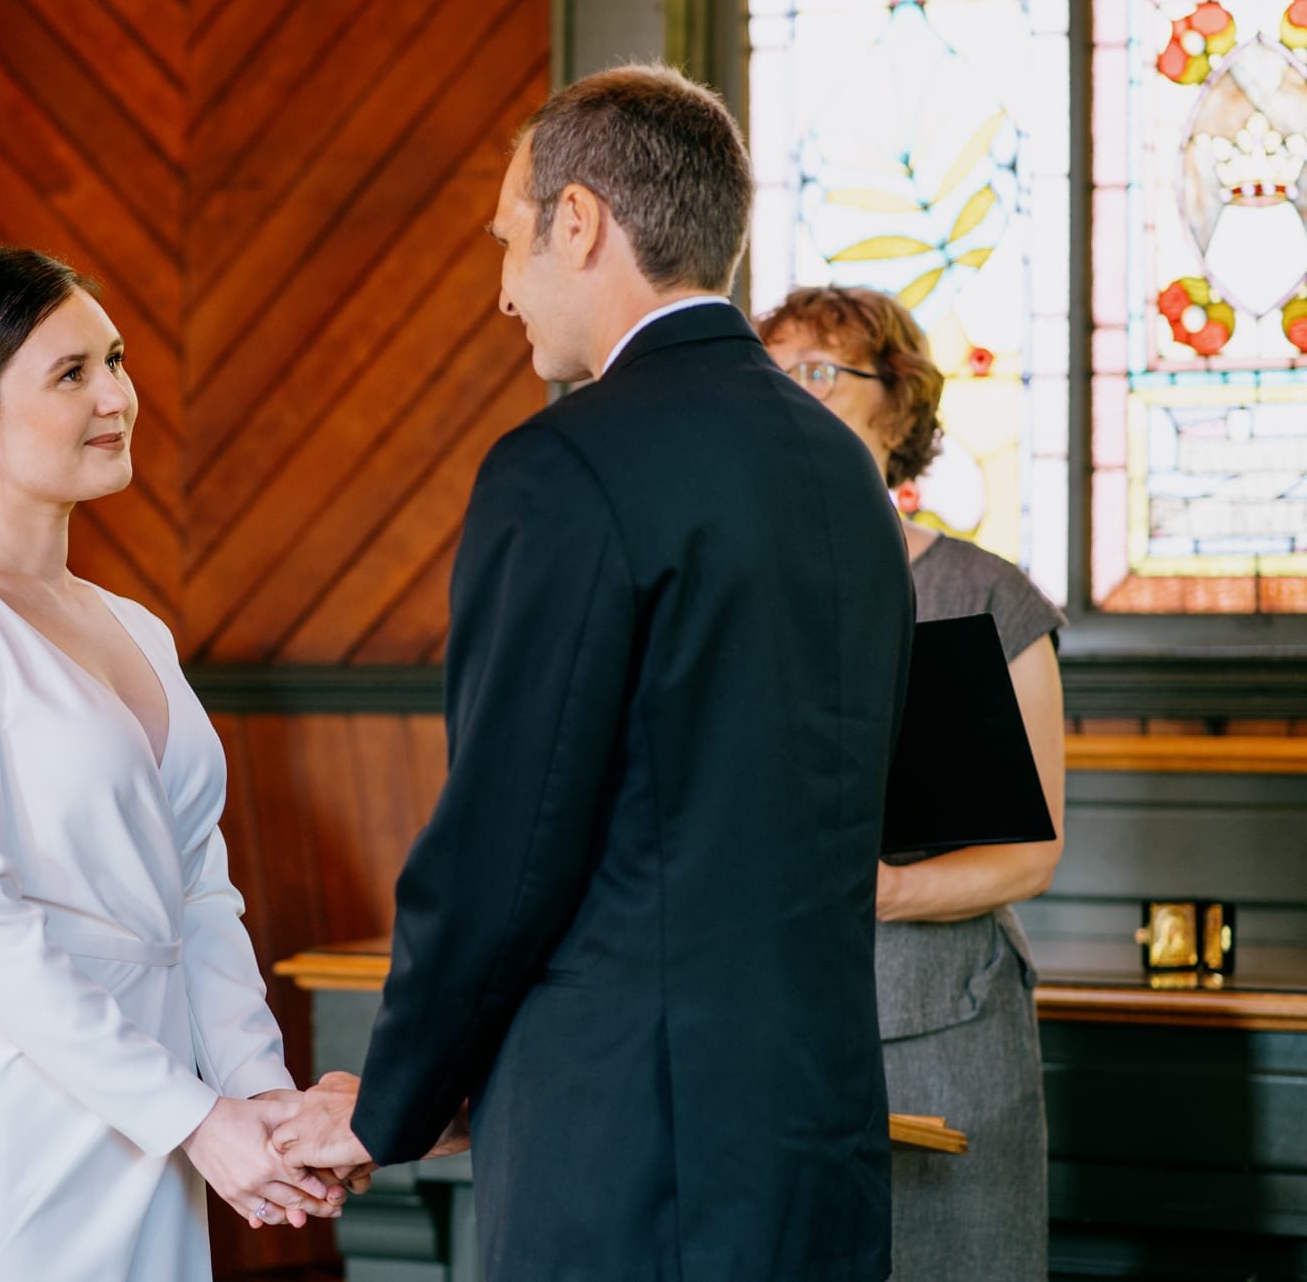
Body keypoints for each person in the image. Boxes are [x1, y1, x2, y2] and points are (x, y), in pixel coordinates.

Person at [274, 63, 914, 1279]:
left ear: (577, 223)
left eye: (508, 239)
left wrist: (386, 1102)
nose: (501, 289)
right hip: (816, 1125)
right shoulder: (841, 471)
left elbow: (504, 848)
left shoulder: (561, 466)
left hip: (629, 1143)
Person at [0, 245, 340, 1281]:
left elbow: (197, 893)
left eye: (113, 359)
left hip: (147, 1133)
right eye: (71, 374)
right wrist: (192, 1113)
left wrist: (258, 1099)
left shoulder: (136, 628)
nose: (116, 395)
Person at [761, 284, 1065, 1280]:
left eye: (818, 369)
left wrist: (889, 888)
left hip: (949, 1028)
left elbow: (1031, 852)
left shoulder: (982, 595)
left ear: (896, 405)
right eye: (772, 374)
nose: (788, 393)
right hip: (773, 1029)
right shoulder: (729, 591)